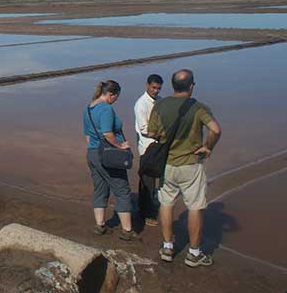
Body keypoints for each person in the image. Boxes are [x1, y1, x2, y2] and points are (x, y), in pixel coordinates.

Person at [147, 69, 222, 267]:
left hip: (167, 164)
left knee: (166, 203)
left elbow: (151, 131)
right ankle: (194, 254)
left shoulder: (160, 105)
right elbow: (215, 129)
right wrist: (208, 147)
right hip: (190, 164)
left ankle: (167, 247)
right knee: (195, 207)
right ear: (191, 86)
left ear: (173, 85)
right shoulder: (198, 107)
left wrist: (165, 138)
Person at [83, 80, 139, 241]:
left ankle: (100, 225)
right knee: (122, 190)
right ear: (111, 94)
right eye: (116, 97)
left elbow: (87, 136)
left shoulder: (88, 108)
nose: (116, 100)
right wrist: (121, 146)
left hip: (92, 153)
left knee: (100, 188)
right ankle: (127, 231)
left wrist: (95, 149)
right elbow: (108, 133)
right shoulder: (106, 108)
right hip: (108, 156)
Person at [134, 74, 163, 227]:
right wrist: (162, 133)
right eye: (154, 88)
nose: (156, 91)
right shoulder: (141, 104)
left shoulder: (160, 101)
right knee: (147, 180)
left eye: (158, 88)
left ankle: (148, 208)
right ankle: (145, 213)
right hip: (147, 147)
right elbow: (144, 129)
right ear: (147, 86)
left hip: (157, 146)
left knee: (155, 178)